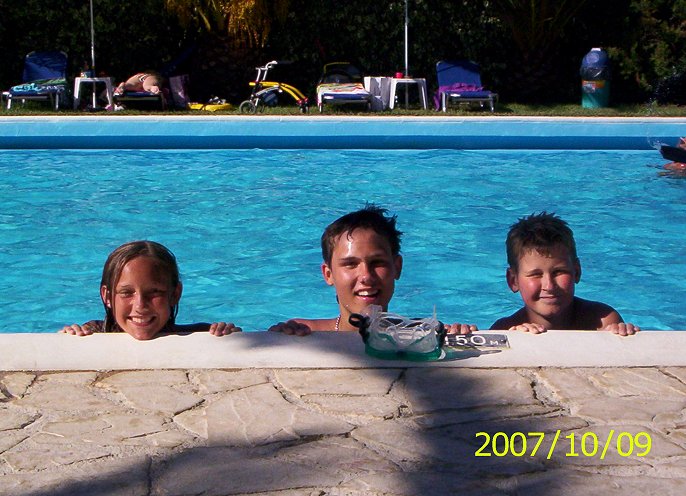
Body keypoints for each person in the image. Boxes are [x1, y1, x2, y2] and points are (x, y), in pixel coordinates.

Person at [269, 204, 477, 336]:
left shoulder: (425, 333)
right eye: (350, 264)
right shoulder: (305, 332)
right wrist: (281, 335)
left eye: (377, 262)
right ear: (328, 274)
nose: (366, 277)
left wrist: (460, 334)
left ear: (397, 267)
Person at [490, 212, 639, 336]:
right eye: (536, 274)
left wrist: (622, 337)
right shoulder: (504, 331)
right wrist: (517, 342)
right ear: (513, 280)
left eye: (559, 272)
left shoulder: (602, 322)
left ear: (577, 271)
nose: (549, 286)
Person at [60, 240, 240, 340]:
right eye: (126, 293)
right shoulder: (92, 333)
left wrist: (226, 333)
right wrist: (68, 336)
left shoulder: (203, 335)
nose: (140, 305)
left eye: (154, 292)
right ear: (107, 296)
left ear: (175, 294)